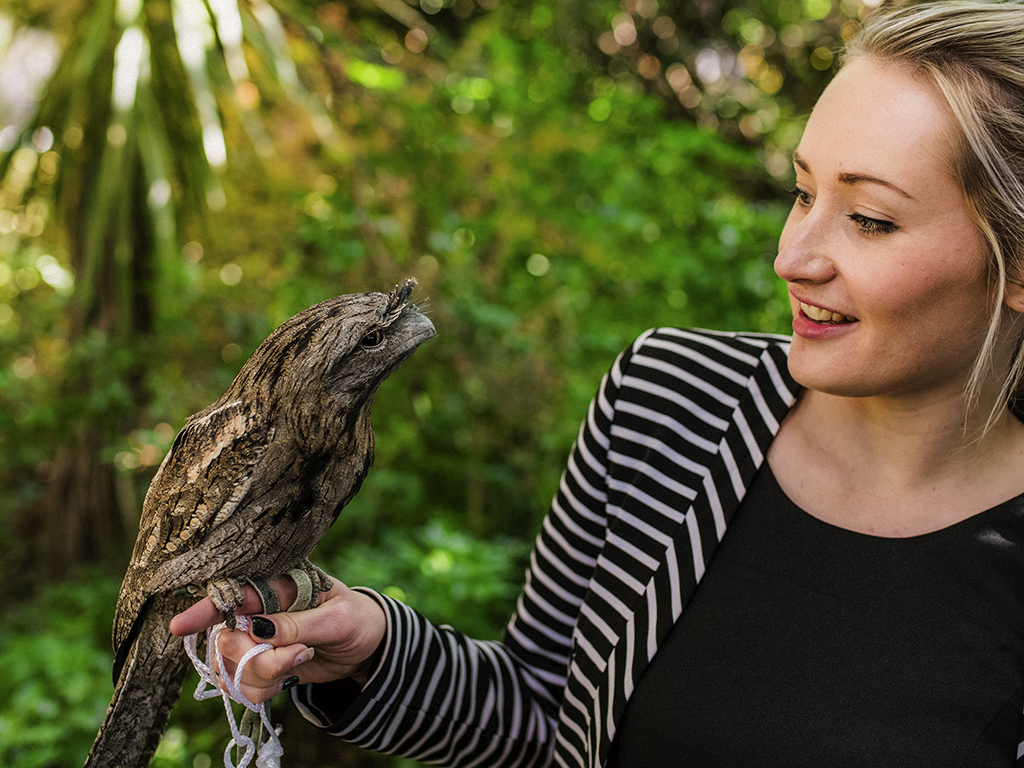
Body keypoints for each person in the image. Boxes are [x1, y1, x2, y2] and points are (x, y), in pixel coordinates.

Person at [171, 1, 1024, 765]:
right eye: (801, 194)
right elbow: (543, 712)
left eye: (870, 219)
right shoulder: (668, 405)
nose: (792, 258)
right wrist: (375, 648)